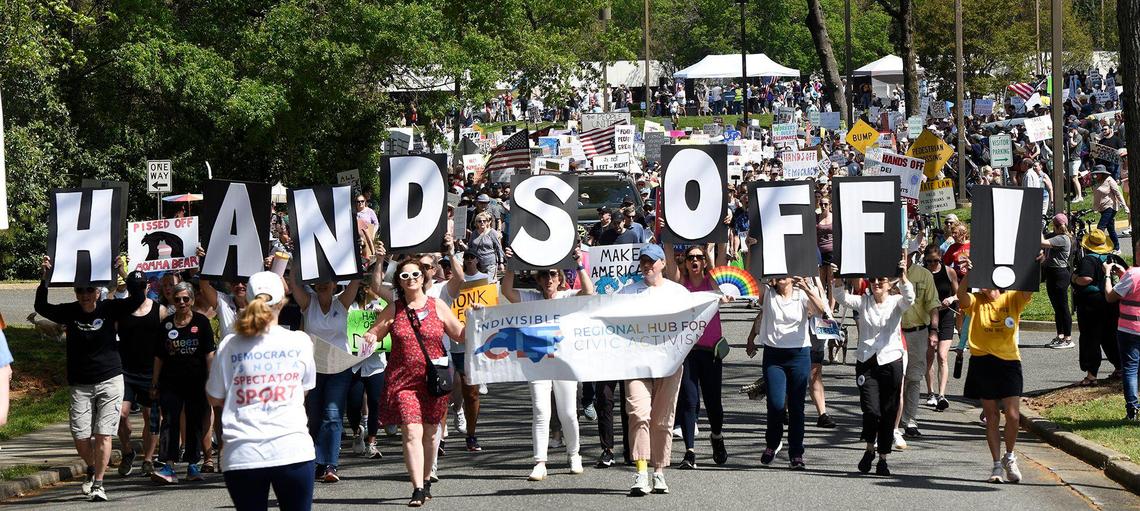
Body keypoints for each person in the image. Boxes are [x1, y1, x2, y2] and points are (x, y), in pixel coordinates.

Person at [35, 256, 144, 501]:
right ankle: (93, 467)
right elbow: (41, 306)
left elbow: (138, 298)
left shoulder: (110, 308)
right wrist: (45, 276)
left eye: (89, 290)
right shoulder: (69, 311)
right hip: (80, 384)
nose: (85, 295)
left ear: (98, 292)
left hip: (110, 380)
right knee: (81, 436)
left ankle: (98, 484)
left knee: (104, 434)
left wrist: (123, 271)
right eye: (80, 290)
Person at [206, 271, 317, 511]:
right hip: (292, 448)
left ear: (247, 300)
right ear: (282, 302)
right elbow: (305, 389)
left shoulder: (229, 344)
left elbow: (214, 397)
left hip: (243, 452)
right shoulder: (300, 341)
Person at [363, 258, 465, 507]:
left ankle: (427, 479)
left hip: (433, 381)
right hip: (403, 382)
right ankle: (417, 487)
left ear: (424, 277)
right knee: (411, 431)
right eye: (405, 276)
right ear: (399, 281)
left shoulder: (437, 305)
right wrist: (370, 336)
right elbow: (375, 331)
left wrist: (476, 319)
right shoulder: (394, 308)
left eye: (415, 274)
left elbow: (460, 335)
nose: (411, 279)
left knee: (430, 434)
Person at [500, 247, 593, 480]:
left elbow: (589, 291)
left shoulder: (567, 297)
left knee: (568, 412)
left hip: (564, 362)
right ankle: (540, 462)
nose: (548, 279)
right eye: (544, 275)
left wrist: (579, 264)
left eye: (552, 274)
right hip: (538, 362)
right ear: (538, 280)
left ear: (559, 278)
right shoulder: (531, 298)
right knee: (541, 410)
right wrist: (511, 265)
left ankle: (574, 454)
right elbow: (507, 291)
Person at [831, 253, 914, 476]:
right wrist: (838, 275)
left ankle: (883, 458)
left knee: (889, 411)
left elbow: (910, 298)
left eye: (881, 280)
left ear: (889, 284)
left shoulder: (896, 302)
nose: (877, 283)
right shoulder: (863, 301)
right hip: (867, 362)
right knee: (871, 410)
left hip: (891, 360)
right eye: (874, 280)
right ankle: (869, 448)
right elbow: (840, 296)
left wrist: (903, 276)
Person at [617, 244, 689, 496]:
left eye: (652, 261)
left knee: (662, 419)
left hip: (668, 365)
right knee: (638, 414)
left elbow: (694, 318)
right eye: (643, 261)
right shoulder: (627, 292)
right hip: (636, 364)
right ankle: (641, 472)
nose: (647, 265)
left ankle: (658, 471)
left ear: (663, 264)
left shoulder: (678, 292)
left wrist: (717, 300)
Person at [956, 257, 1033, 483]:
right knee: (991, 416)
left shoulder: (1012, 298)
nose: (984, 287)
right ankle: (997, 465)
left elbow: (1028, 290)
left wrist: (1034, 264)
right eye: (981, 282)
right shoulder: (976, 301)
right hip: (982, 362)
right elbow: (961, 297)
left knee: (1013, 415)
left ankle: (1010, 456)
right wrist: (968, 275)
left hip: (1008, 362)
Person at [745, 272, 828, 470]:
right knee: (775, 404)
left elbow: (821, 311)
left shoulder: (802, 294)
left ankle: (796, 453)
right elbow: (751, 277)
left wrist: (807, 288)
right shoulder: (768, 293)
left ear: (793, 277)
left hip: (799, 355)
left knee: (797, 407)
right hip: (774, 357)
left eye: (787, 273)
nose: (782, 276)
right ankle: (772, 444)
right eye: (779, 272)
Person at [664, 245, 734, 469]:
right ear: (685, 262)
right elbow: (669, 258)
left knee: (713, 403)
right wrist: (666, 236)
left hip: (711, 352)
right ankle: (690, 452)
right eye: (690, 257)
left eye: (699, 257)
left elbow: (721, 260)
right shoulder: (679, 285)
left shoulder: (712, 282)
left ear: (704, 261)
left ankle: (717, 436)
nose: (694, 260)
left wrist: (720, 238)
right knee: (689, 400)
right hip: (687, 352)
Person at [292, 269, 362, 483]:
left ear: (334, 284)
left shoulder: (342, 303)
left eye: (327, 281)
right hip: (313, 368)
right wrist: (294, 259)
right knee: (314, 416)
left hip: (339, 367)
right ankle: (316, 461)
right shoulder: (307, 302)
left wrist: (358, 256)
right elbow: (294, 283)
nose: (322, 284)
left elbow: (356, 279)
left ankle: (331, 464)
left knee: (332, 414)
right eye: (318, 280)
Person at [150, 282, 216, 484]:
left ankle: (193, 465)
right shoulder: (166, 325)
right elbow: (159, 356)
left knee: (194, 421)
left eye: (186, 299)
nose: (181, 302)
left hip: (197, 382)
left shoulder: (201, 322)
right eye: (177, 299)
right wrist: (154, 382)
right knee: (170, 421)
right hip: (170, 382)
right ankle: (169, 465)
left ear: (192, 300)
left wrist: (212, 380)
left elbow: (209, 354)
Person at [115, 270, 167, 477]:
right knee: (120, 415)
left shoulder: (160, 310)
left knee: (151, 417)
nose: (138, 289)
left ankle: (148, 459)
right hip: (125, 371)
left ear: (147, 286)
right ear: (128, 288)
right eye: (133, 287)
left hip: (150, 372)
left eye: (141, 286)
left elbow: (166, 343)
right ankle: (128, 451)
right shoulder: (120, 310)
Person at [897, 250, 941, 444]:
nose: (901, 257)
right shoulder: (886, 275)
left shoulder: (924, 275)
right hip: (893, 334)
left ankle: (910, 420)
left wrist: (934, 330)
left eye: (904, 253)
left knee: (914, 378)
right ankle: (892, 420)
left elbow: (933, 304)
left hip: (917, 333)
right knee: (895, 378)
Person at [1072, 229, 1122, 386]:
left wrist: (1074, 278)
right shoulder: (1112, 258)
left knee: (1090, 337)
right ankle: (1120, 367)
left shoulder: (1088, 260)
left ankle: (1091, 375)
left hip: (1091, 304)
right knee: (1110, 336)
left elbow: (1086, 279)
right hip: (1110, 300)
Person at [1105, 242, 1140, 421]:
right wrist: (1123, 274)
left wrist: (1107, 275)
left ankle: (1132, 408)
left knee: (1130, 369)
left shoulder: (1133, 274)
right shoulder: (1130, 274)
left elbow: (1111, 296)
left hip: (1130, 329)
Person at [922, 245, 958, 411]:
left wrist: (951, 299)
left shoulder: (949, 272)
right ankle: (931, 393)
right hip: (927, 317)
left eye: (936, 261)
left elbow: (959, 294)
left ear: (941, 258)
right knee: (929, 356)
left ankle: (942, 394)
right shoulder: (923, 273)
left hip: (946, 317)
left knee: (942, 356)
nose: (932, 264)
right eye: (929, 261)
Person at [1042, 214, 1075, 349]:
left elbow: (1042, 242)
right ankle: (1060, 336)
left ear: (1055, 225)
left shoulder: (1062, 238)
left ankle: (1068, 338)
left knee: (1063, 307)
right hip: (1052, 274)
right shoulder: (1056, 236)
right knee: (1057, 307)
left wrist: (1038, 226)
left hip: (1060, 274)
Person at [1091, 165, 1128, 252]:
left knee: (1100, 227)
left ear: (1103, 173)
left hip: (1110, 207)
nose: (1096, 175)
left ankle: (1099, 248)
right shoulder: (1096, 182)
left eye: (1098, 173)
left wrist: (1124, 206)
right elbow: (1096, 196)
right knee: (1110, 229)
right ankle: (1116, 248)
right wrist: (1095, 208)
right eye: (1095, 173)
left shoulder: (1109, 180)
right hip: (1102, 208)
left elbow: (1118, 193)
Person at [468, 211, 504, 276]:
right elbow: (470, 248)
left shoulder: (492, 232)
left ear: (487, 222)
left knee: (489, 281)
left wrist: (501, 263)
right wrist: (461, 244)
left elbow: (499, 248)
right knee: (479, 282)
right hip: (477, 264)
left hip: (490, 264)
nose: (482, 222)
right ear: (476, 223)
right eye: (479, 221)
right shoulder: (474, 233)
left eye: (484, 221)